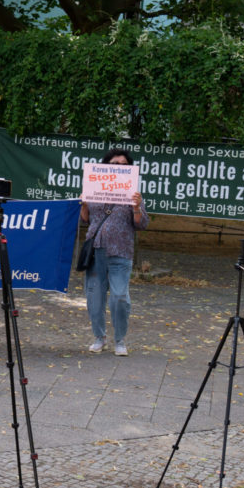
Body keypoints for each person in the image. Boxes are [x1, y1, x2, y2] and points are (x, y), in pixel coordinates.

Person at [80, 148, 149, 356]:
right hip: (95, 250)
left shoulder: (133, 193)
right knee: (94, 297)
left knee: (120, 297)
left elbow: (142, 224)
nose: (119, 167)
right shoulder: (92, 188)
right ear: (105, 166)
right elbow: (84, 219)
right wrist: (83, 203)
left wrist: (136, 207)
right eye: (115, 164)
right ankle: (99, 337)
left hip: (120, 252)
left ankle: (120, 340)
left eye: (124, 165)